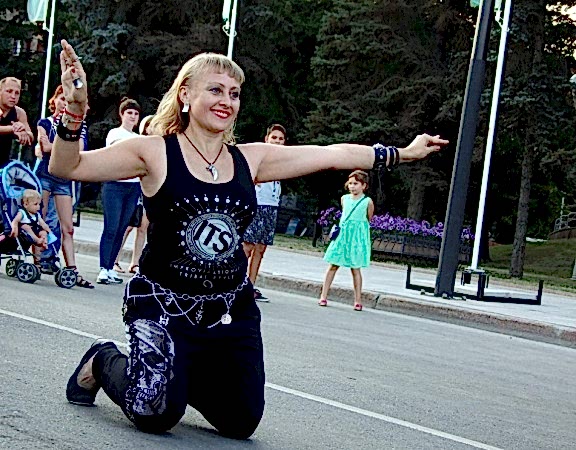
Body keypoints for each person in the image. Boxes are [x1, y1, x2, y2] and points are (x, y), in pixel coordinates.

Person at [51, 39, 447, 439]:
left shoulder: (250, 159)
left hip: (229, 311)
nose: (227, 101)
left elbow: (331, 154)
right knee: (155, 414)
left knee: (240, 422)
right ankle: (103, 360)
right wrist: (75, 112)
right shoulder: (153, 152)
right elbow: (69, 167)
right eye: (216, 90)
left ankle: (178, 378)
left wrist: (403, 153)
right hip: (164, 306)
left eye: (234, 93)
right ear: (185, 94)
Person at [35, 85, 93, 288]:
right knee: (39, 219)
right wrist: (60, 148)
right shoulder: (45, 123)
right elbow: (43, 146)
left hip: (63, 178)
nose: (63, 103)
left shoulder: (78, 126)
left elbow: (78, 149)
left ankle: (72, 269)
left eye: (67, 101)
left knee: (67, 227)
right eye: (61, 99)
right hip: (45, 174)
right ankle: (37, 262)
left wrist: (54, 147)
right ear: (54, 101)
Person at [96, 97, 142, 284]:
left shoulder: (139, 138)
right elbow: (118, 153)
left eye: (136, 113)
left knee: (122, 228)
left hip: (133, 186)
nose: (132, 116)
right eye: (129, 113)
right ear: (122, 115)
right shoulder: (115, 133)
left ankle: (110, 267)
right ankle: (103, 268)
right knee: (111, 227)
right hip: (115, 185)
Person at [318, 170, 373, 311]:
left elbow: (368, 219)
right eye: (350, 183)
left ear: (364, 186)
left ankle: (358, 300)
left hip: (356, 238)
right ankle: (323, 295)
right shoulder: (344, 199)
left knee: (355, 268)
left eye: (356, 183)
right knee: (333, 265)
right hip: (343, 236)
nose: (352, 186)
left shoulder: (367, 202)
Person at [242, 123, 286, 302]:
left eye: (281, 139)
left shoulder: (283, 162)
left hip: (271, 206)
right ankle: (236, 282)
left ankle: (250, 286)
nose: (277, 141)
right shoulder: (260, 157)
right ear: (267, 139)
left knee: (261, 248)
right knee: (248, 246)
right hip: (257, 204)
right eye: (274, 137)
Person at [113, 115, 154, 275]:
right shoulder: (139, 142)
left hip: (149, 192)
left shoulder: (159, 145)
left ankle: (135, 262)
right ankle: (114, 259)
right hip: (136, 188)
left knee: (143, 227)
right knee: (128, 226)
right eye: (150, 125)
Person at [0, 77, 33, 169]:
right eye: (9, 91)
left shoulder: (19, 113)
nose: (13, 96)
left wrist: (23, 131)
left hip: (6, 164)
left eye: (17, 93)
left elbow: (31, 136)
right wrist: (13, 129)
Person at [10, 189, 52, 254]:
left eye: (39, 204)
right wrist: (14, 228)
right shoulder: (22, 213)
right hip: (24, 234)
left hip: (35, 230)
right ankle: (37, 240)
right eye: (35, 204)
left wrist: (49, 231)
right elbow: (15, 221)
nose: (38, 207)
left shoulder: (37, 214)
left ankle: (44, 243)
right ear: (26, 204)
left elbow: (43, 224)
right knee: (25, 226)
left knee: (43, 232)